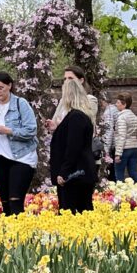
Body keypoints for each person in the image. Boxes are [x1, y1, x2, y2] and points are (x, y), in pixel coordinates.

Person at [0, 71, 37, 215]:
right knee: (5, 204)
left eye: (0, 88)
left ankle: (20, 234)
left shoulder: (20, 104)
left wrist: (8, 130)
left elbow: (31, 130)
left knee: (15, 201)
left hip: (21, 158)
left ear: (9, 86)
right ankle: (9, 236)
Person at [49, 78, 97, 213]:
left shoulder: (76, 117)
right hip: (79, 171)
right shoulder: (80, 116)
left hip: (75, 174)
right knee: (82, 210)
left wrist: (64, 172)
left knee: (71, 211)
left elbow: (73, 147)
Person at [45, 65, 99, 131]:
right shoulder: (63, 101)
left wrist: (61, 124)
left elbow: (83, 124)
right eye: (65, 79)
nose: (67, 81)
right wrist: (53, 126)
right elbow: (55, 121)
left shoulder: (90, 100)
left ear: (81, 80)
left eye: (70, 78)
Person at [113, 92, 137, 183]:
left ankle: (119, 194)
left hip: (124, 149)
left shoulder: (121, 118)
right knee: (133, 173)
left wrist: (118, 154)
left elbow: (121, 136)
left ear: (124, 104)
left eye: (118, 102)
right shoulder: (134, 117)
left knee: (119, 174)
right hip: (134, 148)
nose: (116, 104)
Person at [100, 92, 120, 182]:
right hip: (117, 143)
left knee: (112, 173)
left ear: (104, 101)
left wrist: (106, 149)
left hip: (113, 144)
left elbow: (109, 131)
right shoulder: (114, 109)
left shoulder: (109, 112)